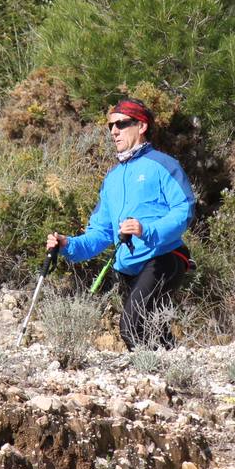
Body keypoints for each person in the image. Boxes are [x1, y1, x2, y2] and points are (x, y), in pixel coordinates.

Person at [46, 98, 195, 349]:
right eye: (110, 126)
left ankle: (154, 376)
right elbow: (101, 233)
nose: (114, 131)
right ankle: (173, 370)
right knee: (151, 329)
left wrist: (147, 230)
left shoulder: (163, 165)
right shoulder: (113, 178)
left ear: (142, 126)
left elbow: (185, 209)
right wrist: (67, 244)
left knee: (131, 327)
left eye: (122, 124)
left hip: (165, 258)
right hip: (128, 269)